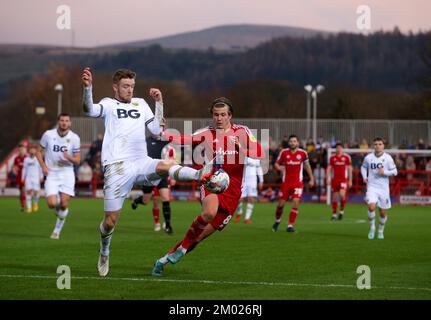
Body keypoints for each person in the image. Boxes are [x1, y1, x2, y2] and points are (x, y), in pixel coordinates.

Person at [81, 67, 213, 277]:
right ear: (115, 87)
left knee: (166, 165)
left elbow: (157, 130)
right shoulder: (108, 104)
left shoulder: (141, 104)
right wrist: (88, 88)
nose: (129, 90)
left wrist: (159, 103)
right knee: (109, 222)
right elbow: (89, 110)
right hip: (116, 167)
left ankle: (200, 175)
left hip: (140, 161)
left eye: (132, 86)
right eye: (125, 86)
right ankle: (104, 250)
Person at [151, 97, 264, 276]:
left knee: (199, 236)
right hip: (211, 181)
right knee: (209, 212)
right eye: (216, 115)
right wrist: (163, 133)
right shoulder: (206, 133)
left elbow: (260, 152)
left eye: (223, 115)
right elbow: (184, 139)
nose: (219, 118)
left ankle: (164, 259)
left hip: (233, 191)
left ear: (230, 115)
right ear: (212, 115)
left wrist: (242, 150)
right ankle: (181, 249)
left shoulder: (243, 132)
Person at [36, 113, 81, 239]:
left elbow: (77, 160)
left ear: (70, 123)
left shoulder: (74, 138)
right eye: (62, 120)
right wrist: (43, 166)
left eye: (67, 121)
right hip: (52, 173)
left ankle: (57, 231)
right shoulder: (48, 135)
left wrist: (68, 157)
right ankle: (61, 212)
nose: (64, 123)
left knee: (64, 204)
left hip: (67, 172)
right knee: (51, 204)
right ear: (58, 122)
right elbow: (38, 151)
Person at [131, 135, 177, 234]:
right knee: (146, 201)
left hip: (162, 174)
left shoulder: (166, 142)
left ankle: (168, 225)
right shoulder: (145, 141)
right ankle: (136, 200)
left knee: (165, 197)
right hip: (149, 174)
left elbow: (172, 157)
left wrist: (172, 176)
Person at [271, 134, 314, 233]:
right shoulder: (284, 152)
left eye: (294, 141)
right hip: (286, 183)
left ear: (298, 143)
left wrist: (312, 178)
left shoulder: (303, 153)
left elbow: (307, 166)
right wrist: (279, 167)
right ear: (288, 143)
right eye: (291, 141)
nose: (292, 143)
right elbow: (276, 163)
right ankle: (277, 221)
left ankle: (290, 225)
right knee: (280, 205)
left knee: (295, 203)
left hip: (297, 183)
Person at [361, 137, 397, 240]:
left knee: (382, 212)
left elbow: (395, 172)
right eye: (376, 144)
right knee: (371, 207)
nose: (378, 146)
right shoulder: (368, 157)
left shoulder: (388, 158)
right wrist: (364, 177)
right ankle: (372, 228)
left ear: (383, 146)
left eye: (380, 144)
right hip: (372, 186)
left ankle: (381, 230)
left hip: (384, 189)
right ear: (373, 145)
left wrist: (384, 172)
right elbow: (363, 167)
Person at [326, 143, 353, 221]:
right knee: (334, 197)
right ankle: (334, 214)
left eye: (340, 148)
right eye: (337, 148)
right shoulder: (332, 158)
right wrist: (327, 178)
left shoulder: (346, 157)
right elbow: (329, 168)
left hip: (343, 179)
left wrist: (350, 180)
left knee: (341, 194)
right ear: (336, 149)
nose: (339, 149)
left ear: (342, 148)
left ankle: (341, 211)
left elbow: (350, 169)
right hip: (335, 180)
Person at [234, 156, 264, 224]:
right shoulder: (242, 155)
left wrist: (261, 181)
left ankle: (247, 218)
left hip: (253, 180)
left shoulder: (256, 158)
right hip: (243, 180)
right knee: (239, 199)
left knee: (251, 199)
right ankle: (239, 212)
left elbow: (259, 169)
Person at [22, 145, 43, 213]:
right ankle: (29, 207)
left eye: (33, 150)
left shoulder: (38, 159)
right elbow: (24, 169)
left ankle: (35, 204)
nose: (32, 151)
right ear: (29, 151)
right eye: (31, 150)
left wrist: (41, 176)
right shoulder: (26, 159)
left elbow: (40, 168)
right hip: (28, 178)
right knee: (28, 192)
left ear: (35, 151)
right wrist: (23, 177)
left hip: (36, 178)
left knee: (36, 192)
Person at [13, 144, 27, 211]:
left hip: (26, 177)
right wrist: (14, 170)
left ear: (24, 150)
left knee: (24, 191)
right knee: (21, 192)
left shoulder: (27, 158)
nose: (21, 150)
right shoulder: (16, 158)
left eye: (22, 149)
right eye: (20, 149)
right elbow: (14, 166)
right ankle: (22, 205)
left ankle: (26, 205)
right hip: (19, 177)